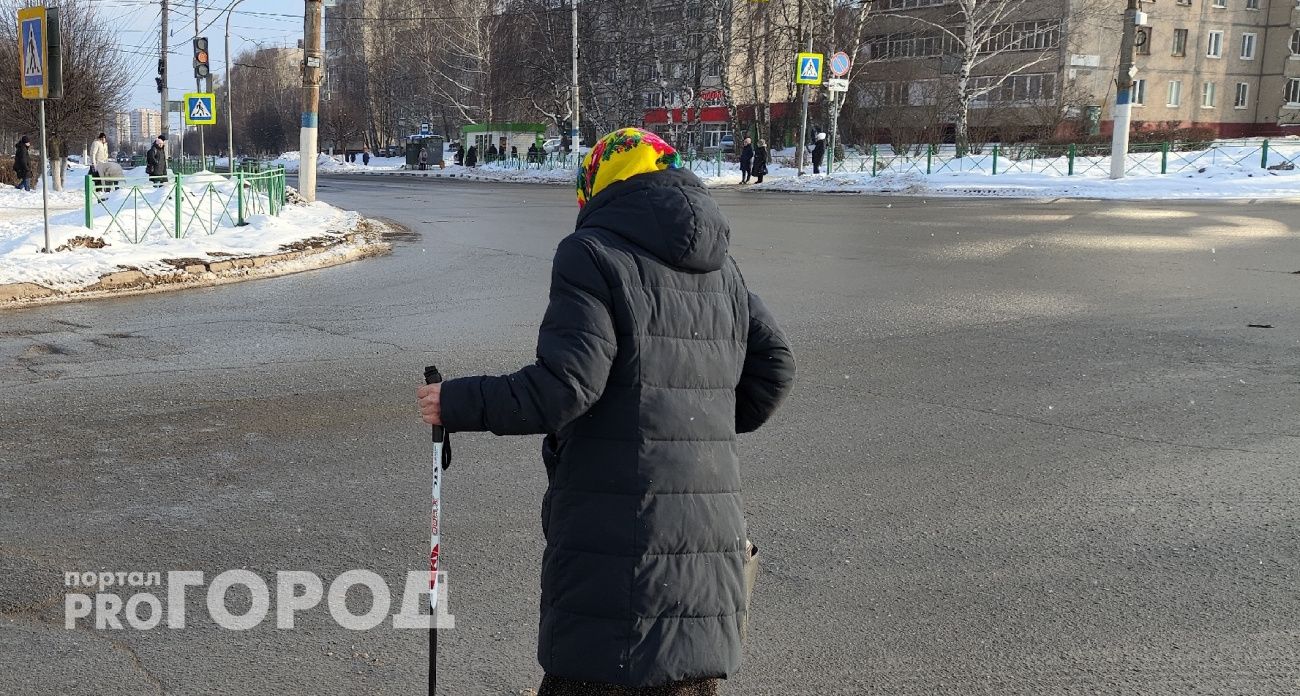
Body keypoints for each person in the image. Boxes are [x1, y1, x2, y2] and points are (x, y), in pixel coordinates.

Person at [417, 127, 796, 696]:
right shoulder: (724, 266)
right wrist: (691, 419)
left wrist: (457, 401)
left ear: (598, 184)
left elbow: (565, 387)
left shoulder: (593, 253)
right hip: (707, 543)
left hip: (618, 538)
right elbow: (775, 367)